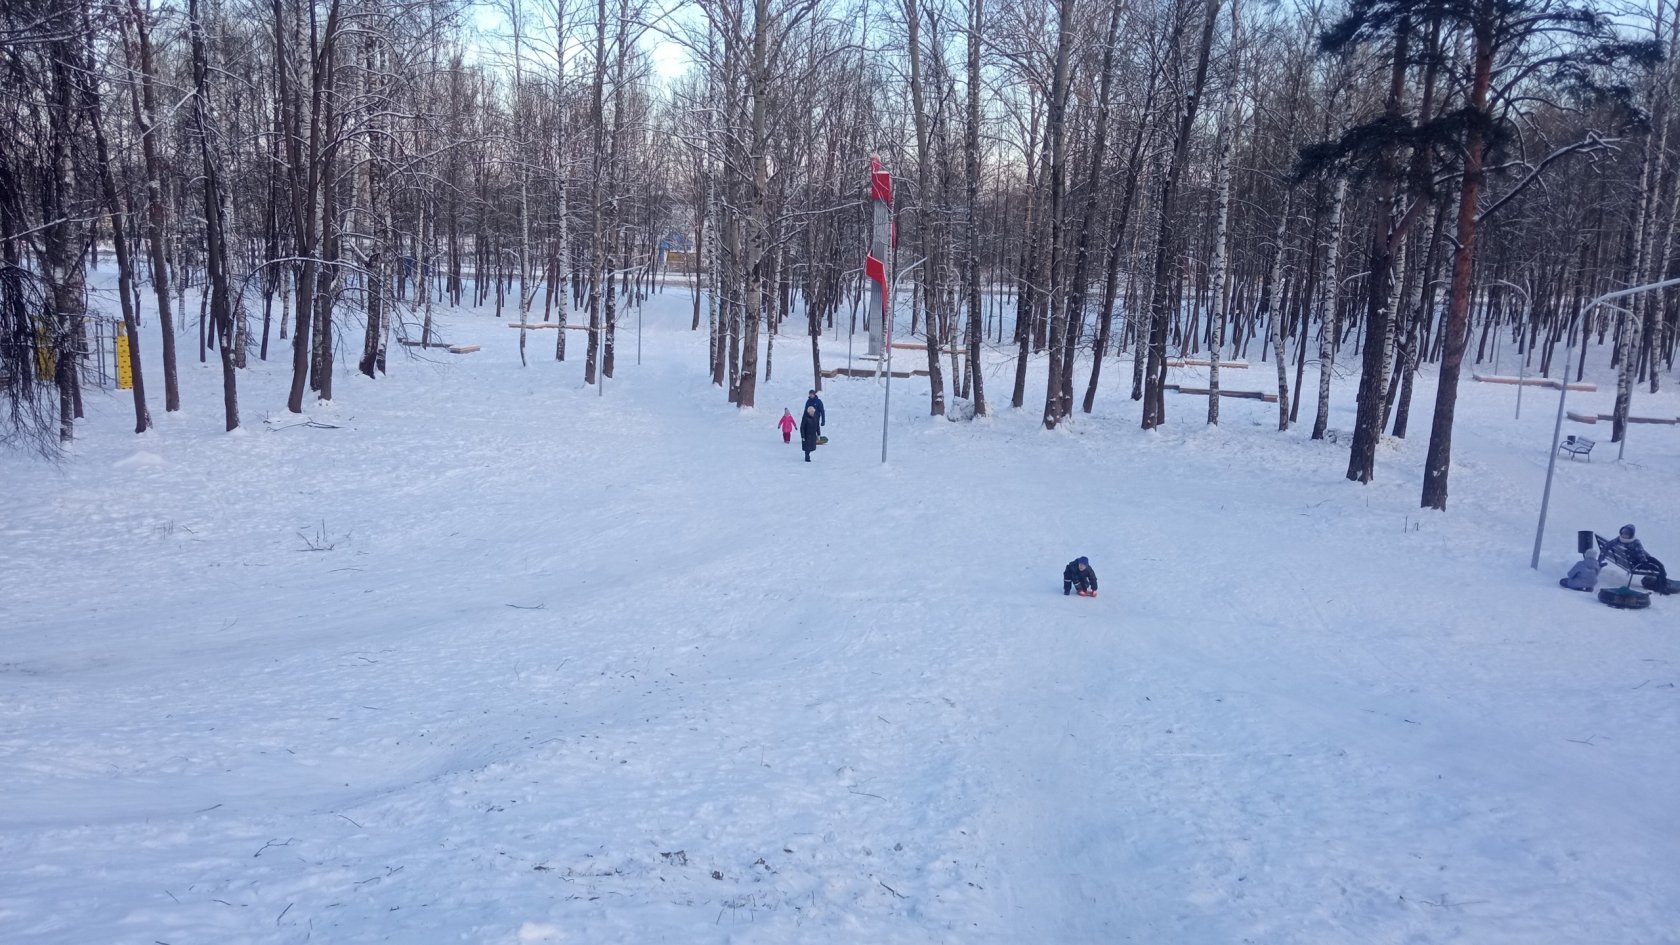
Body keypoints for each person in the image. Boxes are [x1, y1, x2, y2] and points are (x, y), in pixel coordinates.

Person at [1603, 524, 1668, 585]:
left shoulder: (1619, 539)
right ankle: (1663, 585)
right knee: (1660, 567)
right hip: (1638, 562)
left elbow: (1607, 545)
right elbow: (1641, 555)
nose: (1624, 534)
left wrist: (1602, 556)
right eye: (1623, 532)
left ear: (1631, 534)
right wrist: (1645, 563)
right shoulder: (1635, 542)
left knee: (1659, 565)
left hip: (1631, 562)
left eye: (1627, 533)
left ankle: (1659, 582)